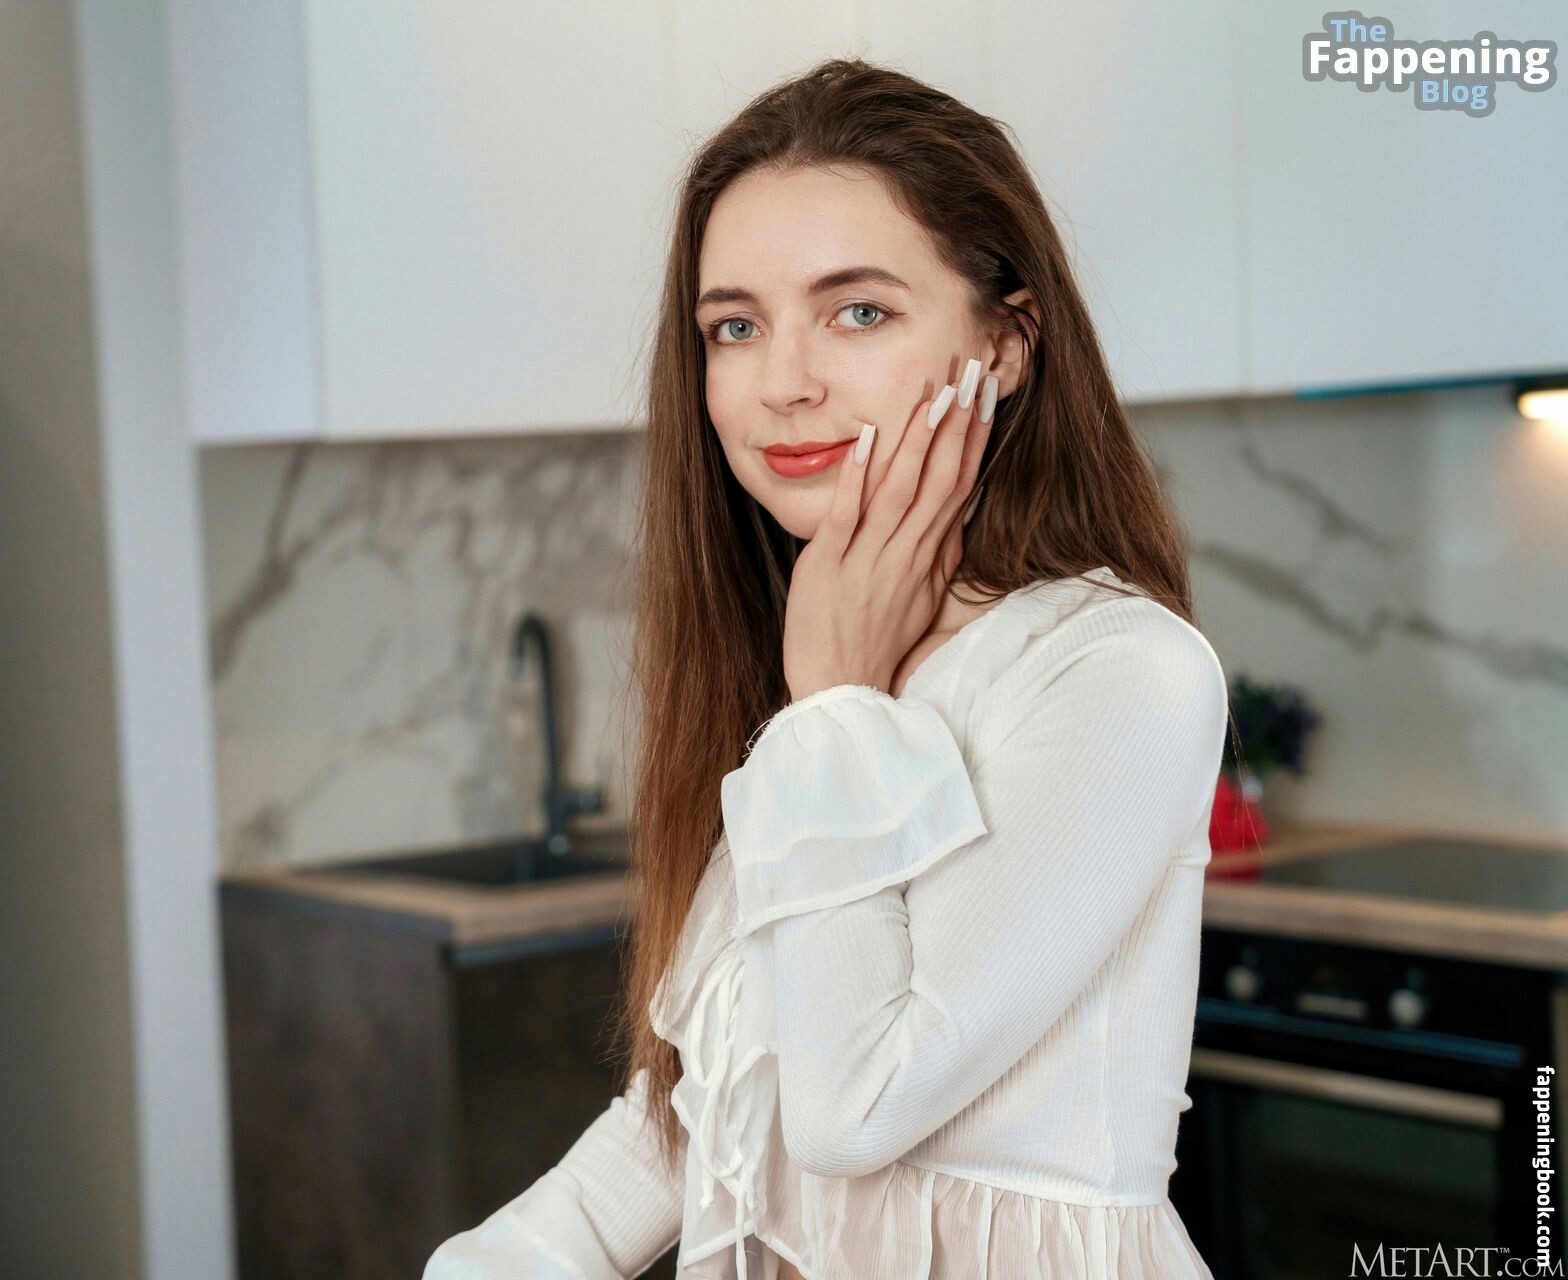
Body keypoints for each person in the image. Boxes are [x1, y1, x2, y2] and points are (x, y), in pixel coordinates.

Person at [424, 56, 1231, 1279]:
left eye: (858, 312)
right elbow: (691, 1122)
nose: (784, 382)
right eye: (734, 326)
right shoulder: (821, 666)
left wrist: (838, 697)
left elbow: (856, 1106)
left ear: (1009, 340)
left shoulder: (1119, 669)